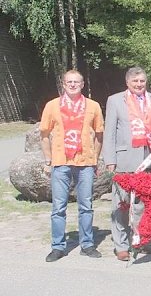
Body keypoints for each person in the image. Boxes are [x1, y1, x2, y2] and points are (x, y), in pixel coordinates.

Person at [40, 70, 104, 262]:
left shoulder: (93, 106)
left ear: (83, 84)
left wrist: (95, 158)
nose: (73, 85)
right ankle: (58, 246)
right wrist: (48, 160)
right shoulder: (52, 106)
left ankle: (87, 244)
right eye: (70, 82)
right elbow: (44, 134)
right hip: (61, 162)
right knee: (59, 207)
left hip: (85, 162)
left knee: (86, 205)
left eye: (77, 82)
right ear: (63, 84)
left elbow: (99, 133)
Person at [104, 67, 151, 261]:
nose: (139, 85)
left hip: (149, 160)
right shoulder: (115, 100)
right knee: (122, 205)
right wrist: (110, 160)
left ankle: (142, 240)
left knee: (144, 206)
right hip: (124, 160)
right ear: (127, 83)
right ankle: (121, 245)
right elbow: (110, 132)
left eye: (142, 81)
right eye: (135, 81)